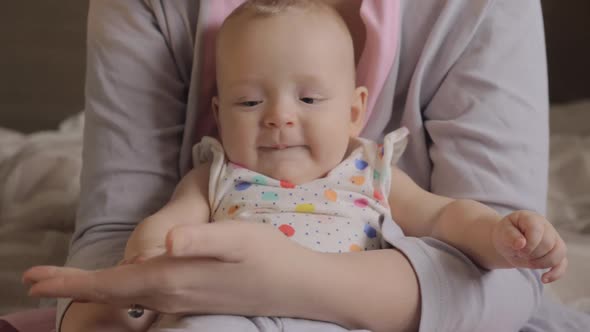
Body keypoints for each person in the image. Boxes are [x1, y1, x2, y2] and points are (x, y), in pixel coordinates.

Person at [21, 0, 590, 331]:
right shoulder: (218, 174)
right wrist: (133, 275)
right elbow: (154, 227)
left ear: (355, 111)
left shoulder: (371, 171)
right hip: (223, 315)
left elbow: (448, 218)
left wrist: (502, 234)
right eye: (249, 103)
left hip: (354, 316)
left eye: (310, 101)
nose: (278, 120)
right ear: (217, 114)